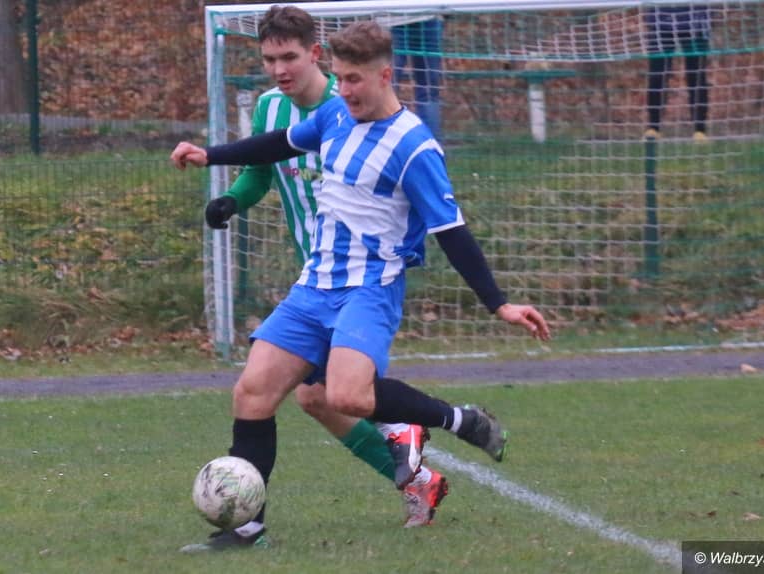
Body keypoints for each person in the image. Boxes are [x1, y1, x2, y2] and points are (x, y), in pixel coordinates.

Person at [172, 20, 551, 551]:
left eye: (353, 80)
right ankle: (246, 529)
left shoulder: (415, 147)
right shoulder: (334, 115)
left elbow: (452, 232)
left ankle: (459, 420)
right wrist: (211, 154)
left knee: (346, 396)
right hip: (314, 285)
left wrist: (499, 304)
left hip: (370, 288)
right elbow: (278, 144)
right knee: (252, 393)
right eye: (340, 77)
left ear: (385, 75)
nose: (344, 90)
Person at [192, 6, 448, 550]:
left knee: (329, 395)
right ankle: (414, 473)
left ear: (316, 54)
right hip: (315, 280)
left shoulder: (352, 103)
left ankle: (415, 445)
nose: (279, 69)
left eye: (289, 57)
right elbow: (259, 172)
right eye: (269, 60)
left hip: (362, 282)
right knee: (310, 398)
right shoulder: (269, 108)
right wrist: (231, 200)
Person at [643, 6, 711, 141]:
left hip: (695, 19)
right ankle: (653, 128)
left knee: (696, 75)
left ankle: (700, 130)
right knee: (657, 75)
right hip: (660, 19)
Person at [391, 17, 444, 139]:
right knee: (385, 87)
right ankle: (382, 143)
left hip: (428, 16)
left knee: (429, 91)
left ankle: (430, 145)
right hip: (391, 19)